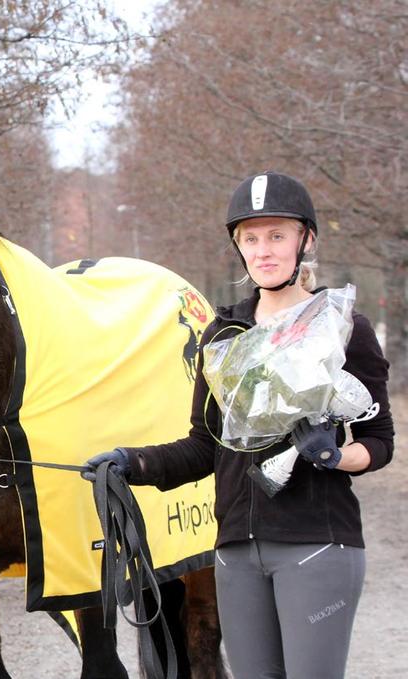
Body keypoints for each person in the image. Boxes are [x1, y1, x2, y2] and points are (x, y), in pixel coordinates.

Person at [84, 171, 394, 679]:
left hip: (317, 542)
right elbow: (204, 445)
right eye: (251, 238)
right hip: (235, 553)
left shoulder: (341, 326)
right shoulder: (222, 334)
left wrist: (335, 455)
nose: (264, 250)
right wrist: (131, 463)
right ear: (239, 246)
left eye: (277, 235)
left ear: (305, 240)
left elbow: (380, 443)